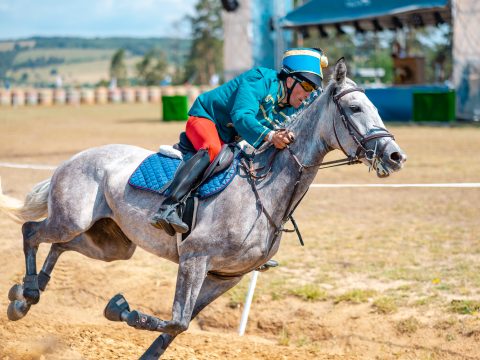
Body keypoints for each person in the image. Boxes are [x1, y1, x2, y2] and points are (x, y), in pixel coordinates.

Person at [151, 47, 328, 234]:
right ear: (291, 79)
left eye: (314, 89)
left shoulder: (293, 106)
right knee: (212, 150)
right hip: (205, 118)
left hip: (231, 138)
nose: (309, 94)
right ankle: (168, 207)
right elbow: (242, 116)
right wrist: (271, 136)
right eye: (308, 86)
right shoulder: (259, 80)